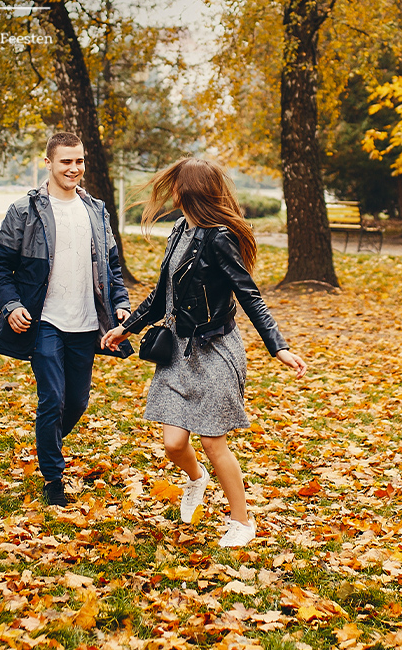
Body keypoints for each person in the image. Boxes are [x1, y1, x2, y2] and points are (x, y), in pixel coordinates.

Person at [101, 157, 306, 548]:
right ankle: (197, 480)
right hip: (177, 350)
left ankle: (241, 522)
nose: (172, 191)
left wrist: (278, 346)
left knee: (213, 442)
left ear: (188, 190)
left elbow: (250, 296)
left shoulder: (219, 237)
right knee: (174, 443)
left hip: (215, 349)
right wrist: (125, 327)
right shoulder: (179, 230)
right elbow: (163, 295)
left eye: (177, 184)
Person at [0, 132, 132, 507]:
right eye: (66, 161)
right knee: (52, 398)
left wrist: (121, 304)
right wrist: (12, 304)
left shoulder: (97, 210)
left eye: (79, 161)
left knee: (77, 402)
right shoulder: (25, 211)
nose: (74, 168)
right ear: (48, 163)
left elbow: (112, 267)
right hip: (45, 321)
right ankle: (54, 478)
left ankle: (46, 441)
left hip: (86, 323)